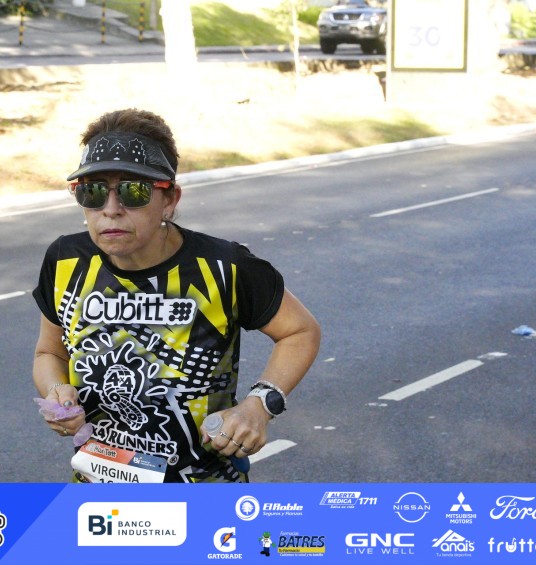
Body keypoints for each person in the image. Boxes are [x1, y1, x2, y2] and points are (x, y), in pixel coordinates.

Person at [32, 108, 321, 483]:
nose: (111, 210)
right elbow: (49, 353)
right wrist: (57, 392)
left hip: (201, 489)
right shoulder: (65, 260)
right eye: (93, 191)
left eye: (134, 191)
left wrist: (259, 406)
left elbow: (300, 331)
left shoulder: (224, 267)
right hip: (97, 488)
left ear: (169, 200)